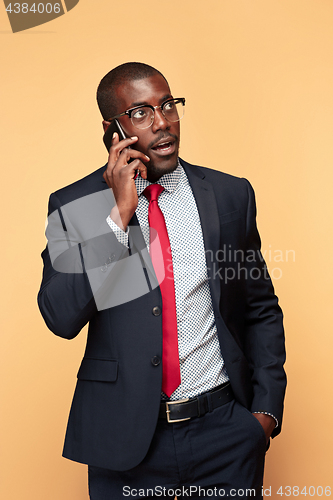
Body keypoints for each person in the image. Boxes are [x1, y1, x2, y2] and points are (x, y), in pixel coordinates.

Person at [38, 62, 286, 499]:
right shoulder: (75, 204)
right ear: (112, 129)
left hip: (225, 435)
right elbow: (60, 316)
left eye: (168, 105)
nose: (163, 122)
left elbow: (260, 308)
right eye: (141, 112)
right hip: (125, 444)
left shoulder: (229, 195)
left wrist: (264, 412)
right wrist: (118, 217)